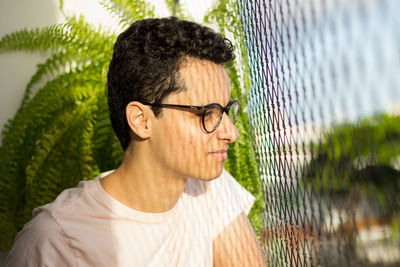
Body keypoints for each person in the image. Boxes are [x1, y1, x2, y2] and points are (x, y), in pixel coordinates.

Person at [6, 17, 266, 266]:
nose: (232, 133)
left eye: (226, 111)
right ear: (141, 120)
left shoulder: (211, 191)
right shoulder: (57, 241)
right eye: (205, 113)